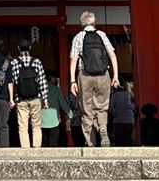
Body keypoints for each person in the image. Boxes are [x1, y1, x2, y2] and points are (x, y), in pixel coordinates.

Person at [69, 9, 119, 148]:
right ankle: (102, 128)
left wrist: (72, 80)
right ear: (94, 22)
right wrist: (115, 76)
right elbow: (112, 55)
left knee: (86, 109)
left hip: (85, 75)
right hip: (103, 75)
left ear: (81, 24)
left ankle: (90, 142)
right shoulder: (102, 35)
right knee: (102, 107)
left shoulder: (78, 37)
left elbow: (73, 59)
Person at [7, 44, 48, 149]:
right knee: (36, 125)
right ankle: (37, 147)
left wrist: (12, 98)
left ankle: (25, 149)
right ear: (30, 47)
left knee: (23, 126)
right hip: (35, 98)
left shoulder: (14, 63)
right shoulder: (37, 62)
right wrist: (45, 99)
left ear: (18, 48)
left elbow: (13, 82)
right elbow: (42, 81)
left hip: (21, 99)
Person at [41, 74, 74, 147]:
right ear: (51, 79)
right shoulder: (56, 89)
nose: (56, 80)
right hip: (54, 121)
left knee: (43, 145)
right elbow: (64, 104)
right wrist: (71, 115)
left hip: (41, 121)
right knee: (53, 145)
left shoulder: (39, 89)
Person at [109, 77, 137, 145]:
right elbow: (134, 106)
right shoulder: (130, 95)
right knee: (128, 138)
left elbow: (110, 108)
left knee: (119, 139)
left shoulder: (115, 95)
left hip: (119, 119)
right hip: (130, 119)